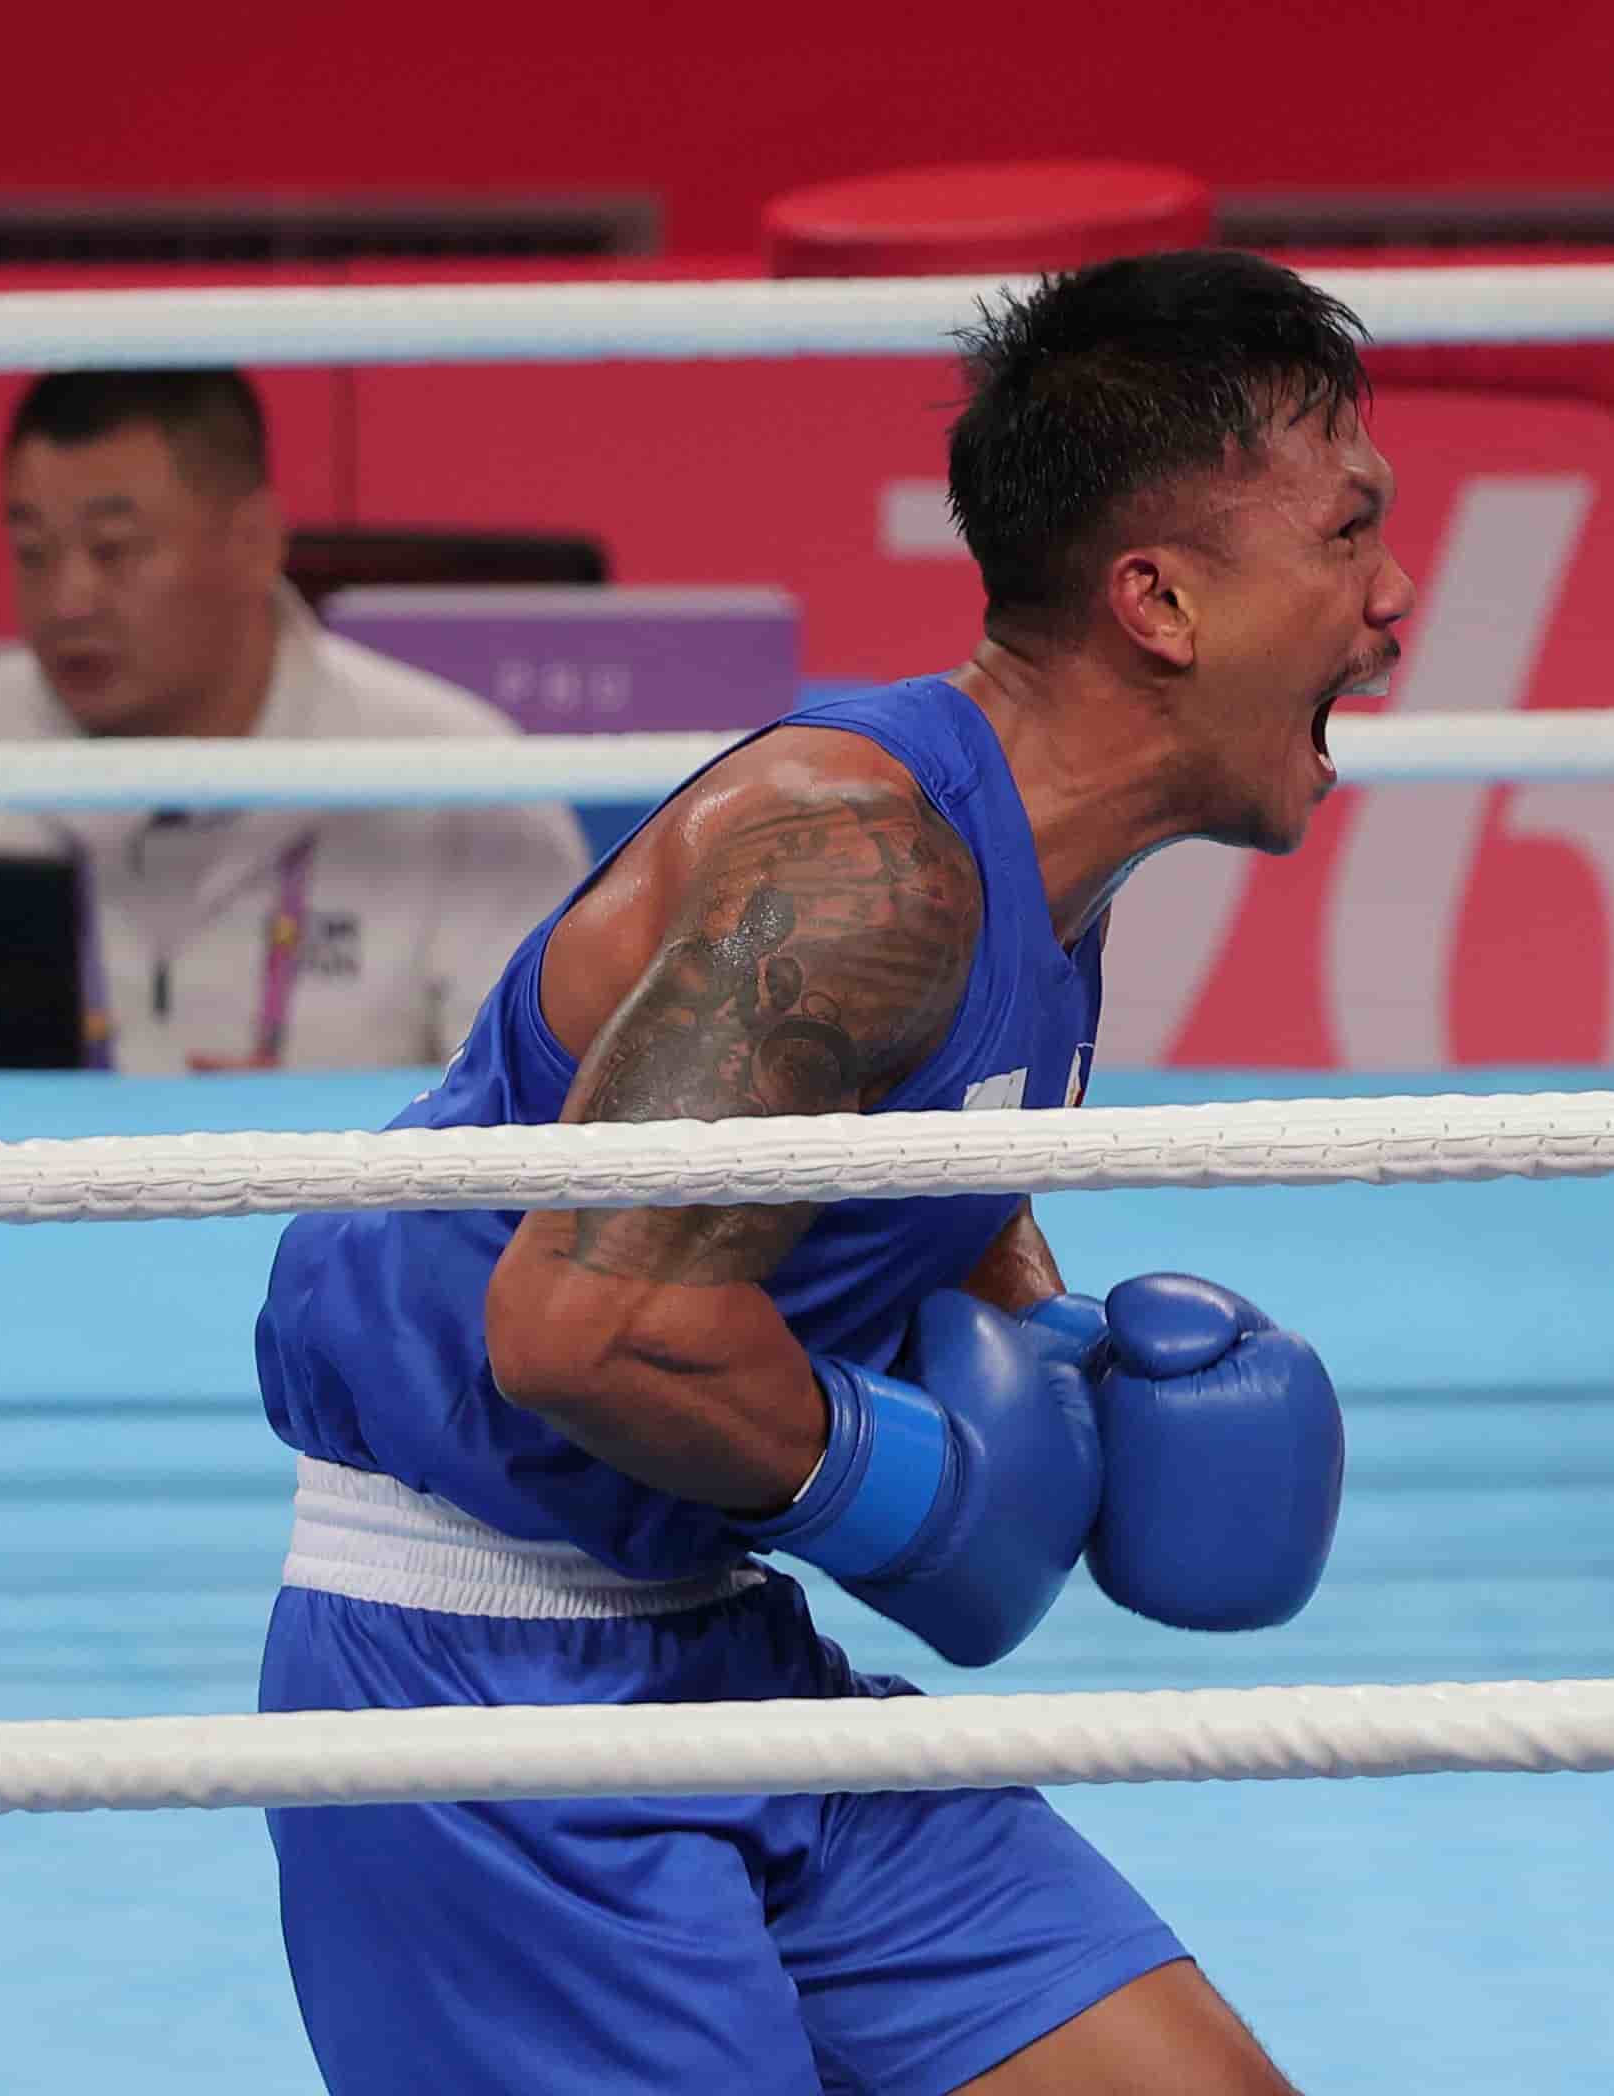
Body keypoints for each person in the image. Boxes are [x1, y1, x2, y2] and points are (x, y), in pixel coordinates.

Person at [252, 248, 1411, 2094]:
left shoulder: (1030, 870)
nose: (1391, 603)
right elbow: (581, 1327)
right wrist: (913, 1488)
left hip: (724, 1651)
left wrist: (1066, 1363)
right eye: (1349, 534)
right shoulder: (858, 865)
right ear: (1163, 599)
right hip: (486, 1692)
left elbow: (888, 1154)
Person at [0, 369, 590, 1071]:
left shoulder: (458, 782)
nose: (67, 600)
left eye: (115, 551)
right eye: (33, 553)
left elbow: (530, 1132)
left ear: (253, 542)